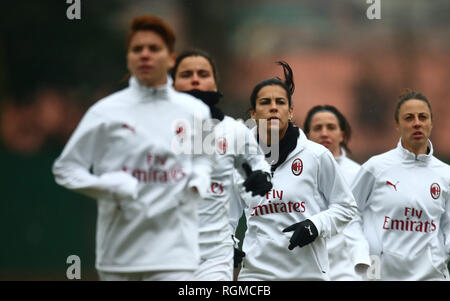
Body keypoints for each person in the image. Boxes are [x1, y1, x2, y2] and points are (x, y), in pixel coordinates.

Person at [52, 15, 213, 281]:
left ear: (171, 58)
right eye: (137, 49)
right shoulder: (104, 112)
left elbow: (206, 160)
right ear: (128, 58)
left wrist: (198, 181)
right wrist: (109, 186)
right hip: (119, 255)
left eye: (154, 48)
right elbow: (66, 168)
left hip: (176, 254)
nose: (145, 55)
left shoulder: (197, 110)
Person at [231, 61, 358, 280]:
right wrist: (229, 247)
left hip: (307, 273)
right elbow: (228, 217)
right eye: (265, 102)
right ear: (253, 113)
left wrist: (315, 225)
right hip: (255, 275)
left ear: (290, 112)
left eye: (280, 102)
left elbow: (346, 207)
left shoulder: (316, 156)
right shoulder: (240, 162)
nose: (273, 107)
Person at [171, 49, 272, 281]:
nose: (195, 78)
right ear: (172, 84)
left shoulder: (235, 130)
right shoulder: (157, 126)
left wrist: (260, 177)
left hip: (215, 255)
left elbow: (259, 165)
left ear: (215, 83)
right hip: (164, 252)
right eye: (186, 74)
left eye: (203, 73)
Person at [350, 89, 450, 280]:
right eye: (409, 118)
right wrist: (361, 252)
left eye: (423, 117)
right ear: (397, 124)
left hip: (432, 275)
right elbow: (348, 212)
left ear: (431, 122)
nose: (417, 123)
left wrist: (442, 253)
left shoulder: (445, 175)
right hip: (382, 275)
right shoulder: (375, 168)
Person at [303, 105, 370, 280]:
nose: (324, 133)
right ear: (307, 135)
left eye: (331, 127)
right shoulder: (296, 173)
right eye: (318, 128)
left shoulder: (360, 174)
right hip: (306, 263)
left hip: (347, 266)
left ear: (342, 134)